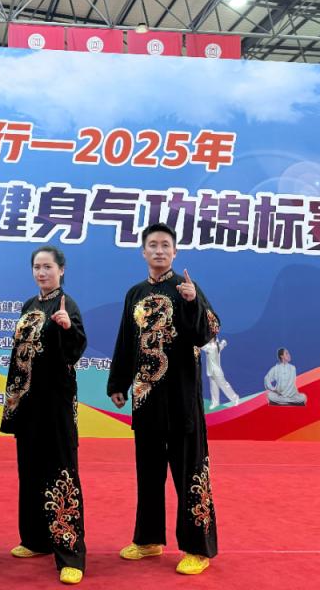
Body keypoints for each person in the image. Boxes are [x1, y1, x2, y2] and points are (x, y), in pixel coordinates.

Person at [108, 223, 218, 576]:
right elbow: (126, 340)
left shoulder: (187, 289)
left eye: (165, 245)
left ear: (175, 251)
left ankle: (197, 548)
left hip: (182, 397)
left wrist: (192, 302)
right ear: (143, 252)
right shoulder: (135, 293)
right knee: (149, 472)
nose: (159, 250)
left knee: (189, 473)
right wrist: (118, 383)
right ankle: (148, 539)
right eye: (152, 245)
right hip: (146, 398)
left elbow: (207, 333)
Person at [3, 245, 87, 586]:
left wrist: (67, 328)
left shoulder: (67, 305)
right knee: (31, 472)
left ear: (61, 270)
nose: (42, 272)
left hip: (55, 406)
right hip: (28, 406)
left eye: (48, 267)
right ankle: (36, 540)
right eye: (37, 267)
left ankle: (70, 553)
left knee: (61, 473)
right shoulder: (30, 305)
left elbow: (76, 349)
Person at [199, 319, 239, 408]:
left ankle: (235, 398)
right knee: (213, 387)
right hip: (211, 371)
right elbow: (221, 345)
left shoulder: (211, 347)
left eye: (209, 337)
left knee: (224, 385)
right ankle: (215, 402)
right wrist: (223, 343)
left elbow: (201, 345)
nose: (207, 338)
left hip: (217, 371)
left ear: (212, 339)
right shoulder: (215, 346)